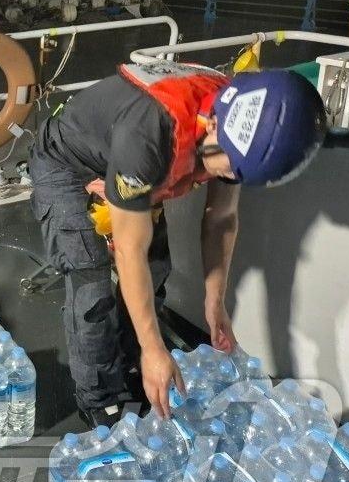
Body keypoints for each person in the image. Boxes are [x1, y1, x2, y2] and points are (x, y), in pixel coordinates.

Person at [27, 61, 326, 427]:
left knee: (154, 272)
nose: (228, 177)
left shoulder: (238, 120)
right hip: (67, 162)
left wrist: (214, 302)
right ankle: (101, 396)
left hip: (123, 159)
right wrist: (156, 349)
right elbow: (128, 249)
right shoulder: (149, 133)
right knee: (92, 287)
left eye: (239, 174)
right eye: (228, 166)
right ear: (213, 124)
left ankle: (135, 362)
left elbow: (221, 218)